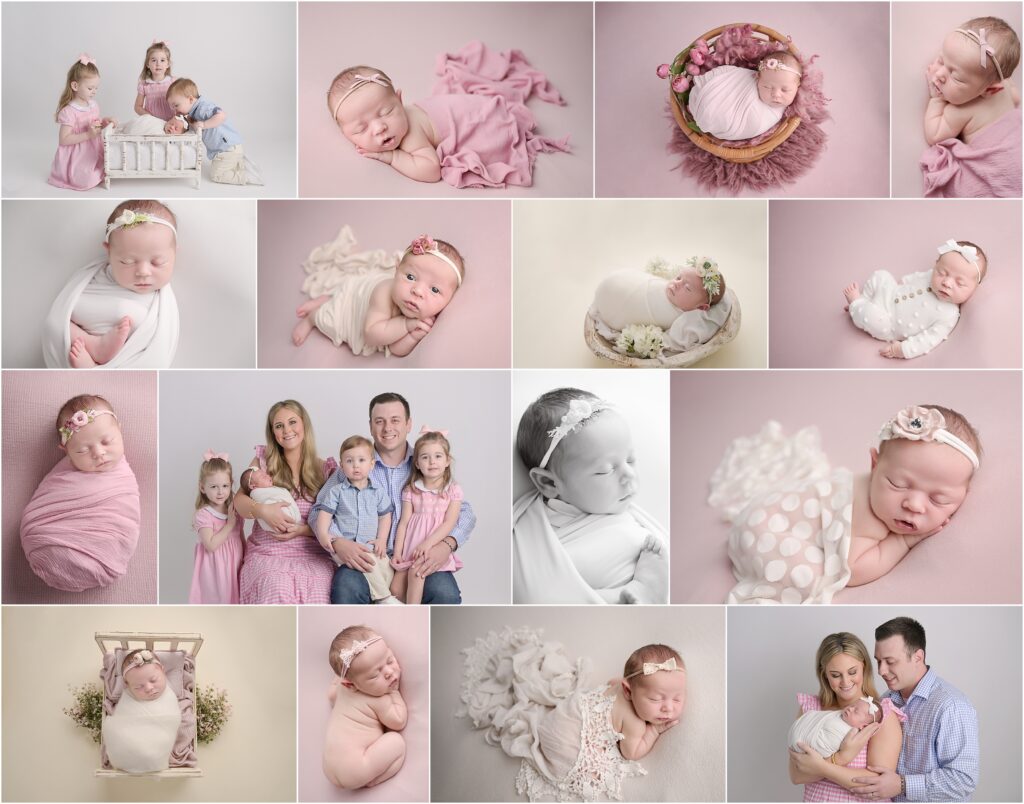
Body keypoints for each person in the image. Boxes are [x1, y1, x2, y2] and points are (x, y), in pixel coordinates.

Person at [710, 404, 982, 603]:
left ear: (964, 496)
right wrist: (902, 542)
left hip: (766, 514)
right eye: (898, 484)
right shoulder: (867, 517)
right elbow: (854, 570)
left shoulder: (893, 499)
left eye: (938, 499)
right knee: (808, 577)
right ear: (874, 465)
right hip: (763, 532)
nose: (914, 504)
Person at [459, 628, 684, 801]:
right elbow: (631, 752)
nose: (668, 708)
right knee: (592, 771)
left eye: (677, 698)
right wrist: (653, 730)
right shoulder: (635, 723)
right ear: (628, 690)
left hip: (561, 716)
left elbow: (611, 682)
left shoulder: (621, 685)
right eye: (655, 699)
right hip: (569, 739)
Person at [327, 48, 570, 189]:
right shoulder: (393, 126)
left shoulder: (411, 135)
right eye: (361, 128)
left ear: (401, 100)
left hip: (484, 118)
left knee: (494, 134)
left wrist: (392, 157)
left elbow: (432, 170)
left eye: (386, 112)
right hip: (472, 106)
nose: (379, 127)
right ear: (345, 134)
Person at [513, 388, 669, 604]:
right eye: (605, 471)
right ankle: (638, 592)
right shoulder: (529, 537)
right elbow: (537, 591)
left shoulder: (618, 512)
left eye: (631, 460)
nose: (629, 476)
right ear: (548, 482)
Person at [317, 392, 475, 604]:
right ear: (371, 426)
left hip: (417, 557)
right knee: (346, 586)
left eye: (395, 420)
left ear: (409, 424)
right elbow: (320, 510)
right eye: (379, 421)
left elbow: (464, 513)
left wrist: (447, 545)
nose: (387, 428)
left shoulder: (426, 462)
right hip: (368, 556)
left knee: (444, 593)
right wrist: (338, 542)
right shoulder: (354, 465)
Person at [848, 617, 979, 802]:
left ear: (918, 657)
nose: (881, 671)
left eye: (890, 661)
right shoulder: (884, 702)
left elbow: (963, 781)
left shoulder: (952, 706)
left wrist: (902, 785)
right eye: (878, 661)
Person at [20, 395, 140, 592]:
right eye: (82, 451)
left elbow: (124, 515)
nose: (99, 453)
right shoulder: (62, 476)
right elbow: (47, 503)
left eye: (107, 441)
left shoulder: (121, 481)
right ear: (65, 451)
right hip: (45, 540)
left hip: (101, 554)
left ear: (119, 428)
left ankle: (99, 559)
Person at [44, 200, 180, 369]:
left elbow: (156, 353)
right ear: (109, 252)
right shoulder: (92, 276)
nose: (143, 272)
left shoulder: (162, 304)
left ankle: (92, 368)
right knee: (55, 324)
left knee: (130, 315)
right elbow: (65, 309)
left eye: (158, 262)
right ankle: (94, 346)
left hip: (125, 359)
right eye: (127, 261)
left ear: (174, 253)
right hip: (82, 345)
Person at [291, 228, 465, 357]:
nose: (417, 291)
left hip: (383, 320)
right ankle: (313, 316)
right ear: (397, 270)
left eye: (434, 289)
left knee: (339, 292)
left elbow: (394, 349)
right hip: (357, 301)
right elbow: (372, 335)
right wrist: (406, 325)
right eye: (411, 277)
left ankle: (327, 297)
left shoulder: (426, 311)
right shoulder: (383, 295)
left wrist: (413, 335)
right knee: (333, 316)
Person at [236, 400, 336, 604]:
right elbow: (239, 502)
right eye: (279, 426)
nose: (287, 430)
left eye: (292, 422)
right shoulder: (261, 463)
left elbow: (338, 522)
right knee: (276, 586)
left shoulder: (325, 469)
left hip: (312, 555)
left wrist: (302, 530)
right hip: (268, 553)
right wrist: (262, 510)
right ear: (272, 432)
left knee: (318, 590)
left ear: (304, 425)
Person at [788, 632, 906, 801]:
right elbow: (796, 776)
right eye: (836, 675)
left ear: (864, 667)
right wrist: (841, 758)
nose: (845, 682)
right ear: (824, 674)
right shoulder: (810, 709)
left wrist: (821, 766)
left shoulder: (879, 716)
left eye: (852, 672)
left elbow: (876, 785)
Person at [921, 17, 1022, 197]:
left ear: (990, 89)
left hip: (1003, 161)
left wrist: (935, 98)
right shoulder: (1005, 86)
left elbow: (934, 135)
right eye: (941, 61)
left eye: (957, 77)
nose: (940, 74)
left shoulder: (959, 110)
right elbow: (1016, 98)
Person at [843, 239, 986, 359]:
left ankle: (857, 304)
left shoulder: (949, 314)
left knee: (875, 319)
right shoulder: (930, 275)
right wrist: (900, 284)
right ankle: (864, 301)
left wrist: (902, 350)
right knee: (881, 275)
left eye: (959, 283)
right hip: (891, 294)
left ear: (974, 288)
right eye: (941, 273)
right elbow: (911, 279)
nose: (947, 283)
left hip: (889, 324)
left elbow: (928, 339)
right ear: (935, 266)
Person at [312, 436, 398, 605]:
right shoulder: (337, 491)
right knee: (368, 563)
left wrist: (381, 539)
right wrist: (323, 534)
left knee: (385, 567)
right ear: (341, 465)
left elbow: (385, 516)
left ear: (371, 464)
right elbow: (324, 513)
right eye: (349, 461)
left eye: (361, 460)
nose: (356, 465)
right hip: (345, 549)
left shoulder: (377, 492)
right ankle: (384, 598)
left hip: (371, 546)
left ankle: (379, 595)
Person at [590, 256, 732, 358]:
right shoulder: (668, 287)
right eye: (678, 277)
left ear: (701, 307)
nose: (676, 284)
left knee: (626, 302)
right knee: (628, 282)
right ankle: (612, 286)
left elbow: (674, 340)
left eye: (687, 288)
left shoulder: (682, 320)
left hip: (617, 307)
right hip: (618, 283)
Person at [324, 625, 407, 790]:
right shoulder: (378, 699)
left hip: (329, 768)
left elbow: (331, 695)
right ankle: (375, 780)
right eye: (375, 675)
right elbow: (398, 721)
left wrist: (341, 675)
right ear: (351, 685)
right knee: (397, 742)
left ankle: (360, 778)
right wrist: (394, 693)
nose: (389, 672)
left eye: (389, 660)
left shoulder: (341, 689)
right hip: (358, 767)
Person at [390, 429, 464, 604]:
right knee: (395, 589)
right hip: (411, 548)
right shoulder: (412, 490)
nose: (432, 462)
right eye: (425, 457)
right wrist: (398, 552)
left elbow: (449, 523)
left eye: (438, 456)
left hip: (432, 546)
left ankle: (412, 613)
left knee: (417, 573)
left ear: (447, 461)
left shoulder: (452, 490)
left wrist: (427, 544)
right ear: (416, 463)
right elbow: (403, 523)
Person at [165, 77, 262, 185]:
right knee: (222, 165)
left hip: (226, 149)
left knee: (216, 175)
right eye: (173, 107)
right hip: (229, 148)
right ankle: (240, 164)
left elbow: (221, 115)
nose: (175, 110)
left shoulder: (203, 108)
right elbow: (194, 127)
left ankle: (244, 176)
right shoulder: (193, 112)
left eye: (176, 105)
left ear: (191, 99)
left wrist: (204, 124)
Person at [687, 51, 802, 140]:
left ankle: (704, 112)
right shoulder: (747, 78)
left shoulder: (772, 115)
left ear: (798, 85)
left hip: (718, 119)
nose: (776, 95)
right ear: (757, 78)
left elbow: (755, 125)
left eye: (785, 90)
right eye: (767, 87)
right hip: (709, 92)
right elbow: (729, 74)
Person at [102, 650, 182, 773]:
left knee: (150, 752)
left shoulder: (169, 695)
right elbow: (122, 720)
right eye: (138, 687)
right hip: (129, 741)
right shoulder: (128, 697)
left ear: (162, 670)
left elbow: (172, 719)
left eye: (154, 680)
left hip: (156, 742)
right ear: (128, 686)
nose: (149, 688)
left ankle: (148, 755)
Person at [49, 54, 117, 191]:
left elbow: (94, 124)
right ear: (75, 85)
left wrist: (104, 122)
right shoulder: (69, 111)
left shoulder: (93, 105)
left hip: (93, 149)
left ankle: (97, 169)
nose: (94, 92)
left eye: (96, 88)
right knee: (87, 180)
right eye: (90, 88)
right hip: (77, 155)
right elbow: (63, 139)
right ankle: (75, 175)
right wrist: (88, 135)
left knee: (111, 163)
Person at [189, 450, 243, 604]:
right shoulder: (204, 514)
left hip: (235, 566)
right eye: (214, 487)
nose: (220, 492)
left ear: (231, 484)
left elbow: (240, 537)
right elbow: (211, 545)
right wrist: (230, 524)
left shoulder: (234, 509)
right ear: (202, 487)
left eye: (225, 486)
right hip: (215, 571)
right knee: (219, 601)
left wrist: (246, 557)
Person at [133, 40, 175, 120]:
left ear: (168, 64)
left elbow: (180, 102)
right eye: (154, 60)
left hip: (171, 122)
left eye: (162, 60)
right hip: (152, 123)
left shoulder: (173, 82)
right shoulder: (144, 85)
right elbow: (137, 107)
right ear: (148, 64)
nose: (158, 64)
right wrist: (149, 117)